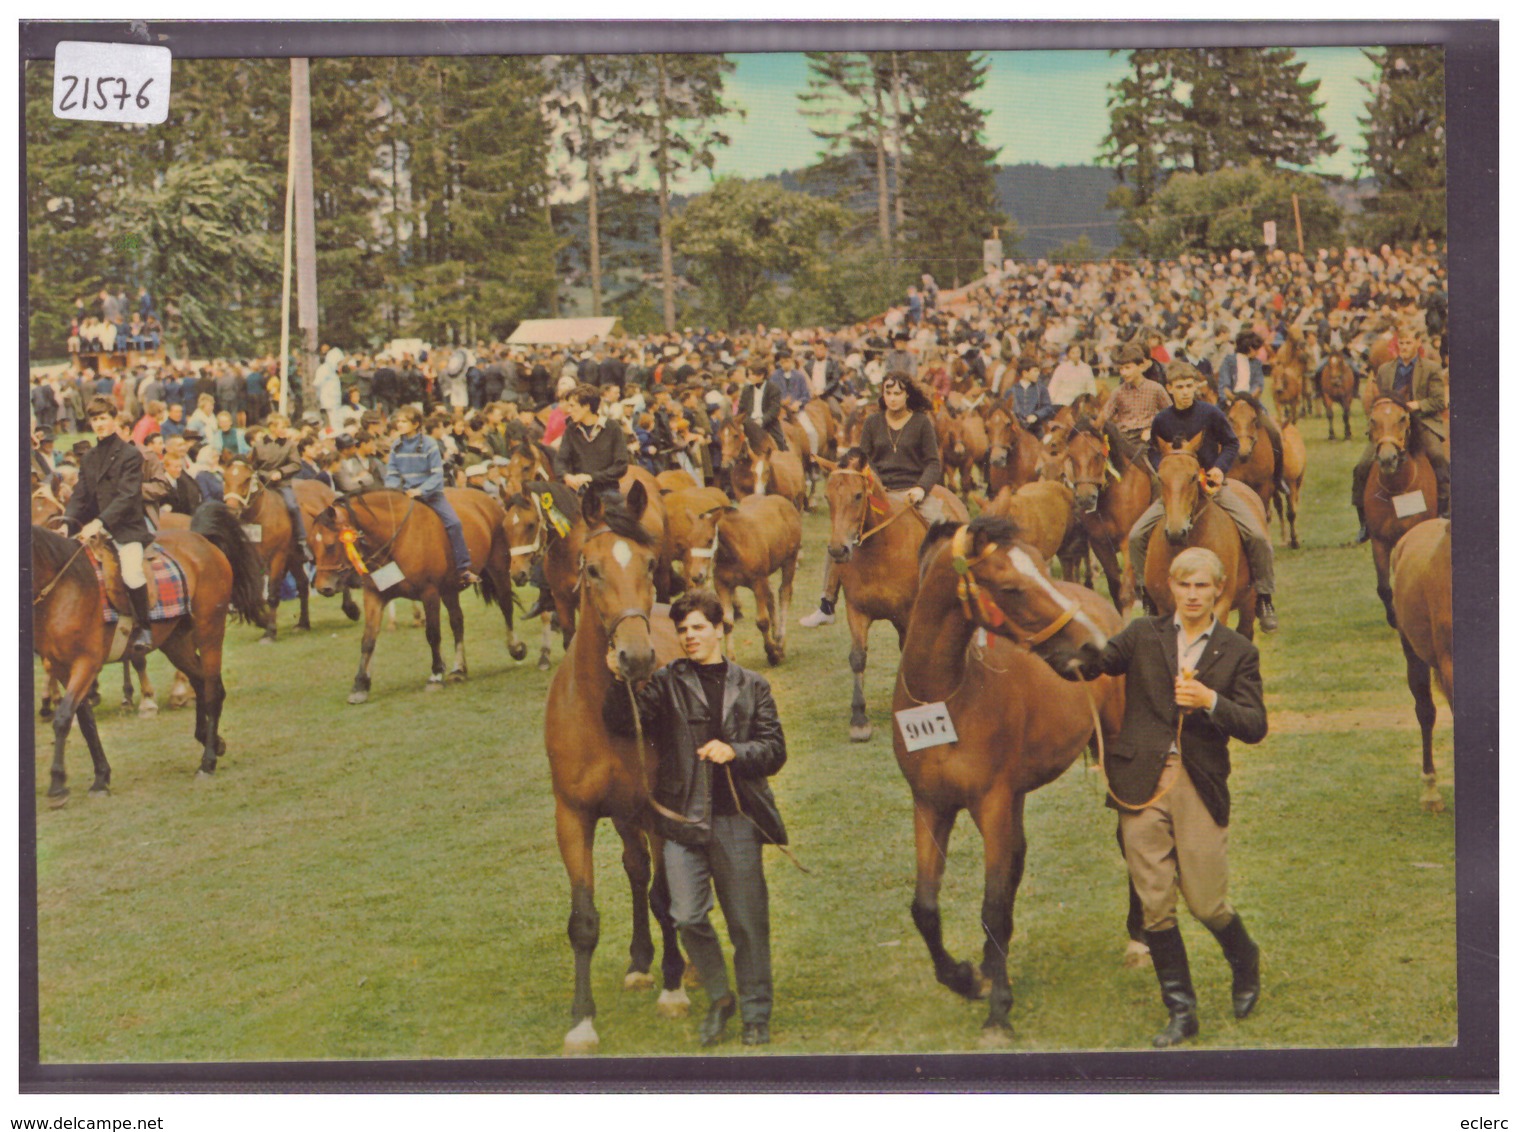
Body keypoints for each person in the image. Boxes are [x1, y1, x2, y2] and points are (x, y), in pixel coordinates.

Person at [1058, 547, 1266, 1048]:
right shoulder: (1144, 635)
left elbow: (1255, 725)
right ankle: (1181, 1010)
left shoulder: (1238, 651)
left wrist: (1211, 701)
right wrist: (1051, 635)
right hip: (1141, 783)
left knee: (1207, 902)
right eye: (1183, 585)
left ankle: (1245, 959)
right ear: (1169, 589)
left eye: (1202, 586)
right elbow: (1095, 662)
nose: (1192, 596)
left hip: (1197, 783)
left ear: (1218, 590)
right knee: (1155, 905)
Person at [602, 589, 788, 1048]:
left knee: (747, 922)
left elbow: (775, 750)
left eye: (698, 628)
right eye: (683, 630)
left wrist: (735, 751)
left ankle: (756, 1014)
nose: (689, 637)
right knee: (685, 916)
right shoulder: (666, 682)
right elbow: (627, 725)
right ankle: (722, 998)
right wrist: (617, 683)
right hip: (681, 822)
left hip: (736, 820)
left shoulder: (753, 685)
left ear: (720, 630)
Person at [1124, 362, 1279, 631]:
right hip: (1176, 490)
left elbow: (1231, 443)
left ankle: (1264, 597)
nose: (1185, 392)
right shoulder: (1162, 420)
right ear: (1169, 389)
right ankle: (1147, 595)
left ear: (1196, 387)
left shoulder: (1211, 414)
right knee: (1137, 535)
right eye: (1179, 387)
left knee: (1256, 534)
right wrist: (1166, 466)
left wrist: (1219, 468)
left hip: (1211, 487)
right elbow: (1152, 450)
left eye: (1189, 386)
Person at [800, 373, 942, 628]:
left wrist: (921, 488)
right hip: (879, 490)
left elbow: (933, 462)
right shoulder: (873, 422)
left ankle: (947, 590)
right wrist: (871, 483)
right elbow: (865, 459)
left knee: (943, 527)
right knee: (840, 533)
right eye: (888, 393)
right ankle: (826, 603)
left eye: (898, 393)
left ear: (907, 395)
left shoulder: (921, 423)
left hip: (913, 491)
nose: (892, 398)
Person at [60, 397, 156, 657]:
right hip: (93, 529)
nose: (99, 424)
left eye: (103, 418)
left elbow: (127, 496)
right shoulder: (89, 457)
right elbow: (80, 494)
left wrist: (100, 522)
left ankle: (144, 627)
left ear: (114, 419)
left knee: (131, 573)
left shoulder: (130, 454)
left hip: (126, 528)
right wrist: (67, 523)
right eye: (95, 419)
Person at [1350, 326, 1449, 539]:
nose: (1404, 347)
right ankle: (1364, 522)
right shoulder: (1386, 370)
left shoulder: (1431, 368)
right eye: (1401, 344)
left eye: (1408, 343)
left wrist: (1417, 405)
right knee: (1362, 466)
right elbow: (1380, 399)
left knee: (1437, 456)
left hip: (1421, 422)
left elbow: (1440, 400)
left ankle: (1443, 508)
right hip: (1391, 426)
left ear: (1417, 344)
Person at [384, 405, 478, 587]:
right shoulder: (396, 445)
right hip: (405, 495)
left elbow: (436, 476)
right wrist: (394, 491)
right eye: (399, 421)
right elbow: (393, 474)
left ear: (416, 424)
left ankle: (463, 568)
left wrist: (420, 491)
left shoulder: (429, 444)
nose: (399, 424)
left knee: (454, 523)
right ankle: (386, 577)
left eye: (404, 421)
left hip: (431, 495)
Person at [1094, 341, 1171, 465]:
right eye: (1121, 369)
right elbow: (1105, 415)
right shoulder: (1118, 392)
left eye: (1128, 368)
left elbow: (1169, 415)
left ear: (1140, 367)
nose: (1123, 372)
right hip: (1123, 439)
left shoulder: (1155, 388)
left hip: (1146, 439)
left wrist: (1154, 430)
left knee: (1156, 471)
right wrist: (1094, 427)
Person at [250, 414, 313, 562]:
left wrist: (281, 472)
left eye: (286, 427)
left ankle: (301, 540)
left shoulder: (290, 445)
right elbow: (253, 467)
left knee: (292, 506)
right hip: (263, 484)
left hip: (282, 484)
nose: (285, 430)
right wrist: (266, 474)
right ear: (272, 427)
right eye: (282, 427)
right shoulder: (259, 445)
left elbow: (296, 464)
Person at [554, 383, 628, 496]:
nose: (569, 410)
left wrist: (591, 477)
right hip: (577, 491)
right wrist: (566, 476)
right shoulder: (571, 430)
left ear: (587, 406)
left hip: (606, 491)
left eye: (572, 406)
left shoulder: (612, 427)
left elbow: (621, 466)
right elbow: (560, 460)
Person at [733, 362, 789, 453]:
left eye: (752, 374)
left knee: (780, 443)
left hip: (767, 423)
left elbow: (774, 410)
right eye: (749, 374)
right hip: (748, 423)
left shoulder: (773, 388)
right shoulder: (746, 389)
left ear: (761, 375)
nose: (749, 377)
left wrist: (761, 420)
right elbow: (741, 408)